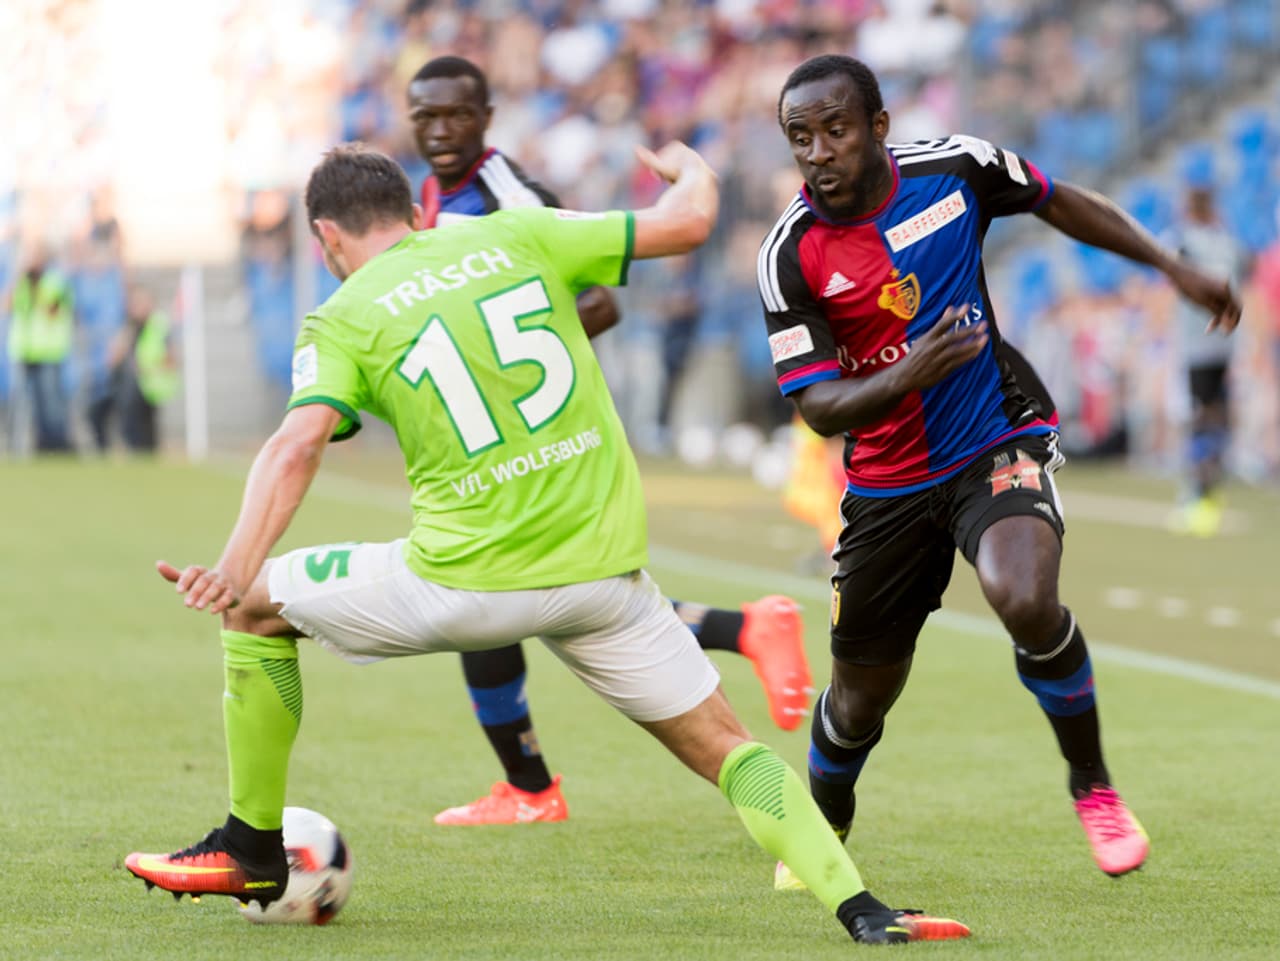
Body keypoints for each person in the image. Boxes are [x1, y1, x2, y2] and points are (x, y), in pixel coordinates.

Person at [123, 141, 969, 945]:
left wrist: (231, 570)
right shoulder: (518, 234)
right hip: (604, 582)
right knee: (729, 747)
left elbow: (296, 443)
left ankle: (250, 846)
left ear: (328, 237)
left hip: (463, 584)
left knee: (259, 608)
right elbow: (689, 221)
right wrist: (689, 166)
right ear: (411, 213)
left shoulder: (339, 316)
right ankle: (862, 908)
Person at [757, 55, 1240, 888]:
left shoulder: (954, 170)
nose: (820, 152)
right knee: (858, 701)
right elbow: (820, 408)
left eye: (835, 130)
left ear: (877, 127)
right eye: (801, 137)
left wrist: (1170, 266)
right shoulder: (792, 254)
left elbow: (1060, 202)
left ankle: (1093, 786)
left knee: (1023, 595)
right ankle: (825, 824)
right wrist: (913, 369)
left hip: (994, 436)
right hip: (885, 486)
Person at [407, 54, 812, 826]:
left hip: (536, 435)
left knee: (489, 593)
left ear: (487, 115)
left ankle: (530, 789)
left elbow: (598, 303)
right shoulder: (435, 194)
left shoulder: (507, 196)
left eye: (456, 113)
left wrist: (493, 362)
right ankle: (742, 629)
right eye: (425, 117)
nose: (441, 130)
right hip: (497, 441)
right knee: (528, 596)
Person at [1163, 154, 1248, 536]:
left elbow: (1174, 277)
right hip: (1224, 343)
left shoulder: (1183, 239)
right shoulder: (1225, 240)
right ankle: (1209, 487)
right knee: (1215, 414)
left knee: (1200, 416)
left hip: (1198, 344)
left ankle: (1200, 492)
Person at [90, 284, 180, 453]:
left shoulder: (159, 325)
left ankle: (141, 450)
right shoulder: (129, 327)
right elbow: (113, 358)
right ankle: (113, 449)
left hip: (150, 384)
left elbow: (171, 358)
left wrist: (150, 367)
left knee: (139, 420)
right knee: (98, 409)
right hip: (126, 384)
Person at [6, 245, 76, 453]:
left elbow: (53, 310)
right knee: (29, 402)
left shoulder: (55, 282)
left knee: (51, 402)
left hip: (49, 352)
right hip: (25, 352)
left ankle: (56, 443)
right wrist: (18, 280)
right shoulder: (22, 283)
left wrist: (35, 290)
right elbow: (8, 305)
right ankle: (37, 443)